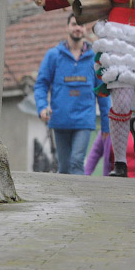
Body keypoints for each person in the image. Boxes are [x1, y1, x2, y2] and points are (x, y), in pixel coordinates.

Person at [34, 13, 111, 175]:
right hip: (59, 119)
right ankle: (66, 200)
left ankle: (80, 200)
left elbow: (103, 93)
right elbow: (41, 84)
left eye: (81, 25)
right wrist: (42, 106)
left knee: (76, 161)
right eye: (74, 24)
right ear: (67, 27)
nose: (78, 28)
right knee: (64, 167)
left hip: (83, 120)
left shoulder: (95, 58)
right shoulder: (53, 56)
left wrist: (106, 124)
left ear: (86, 29)